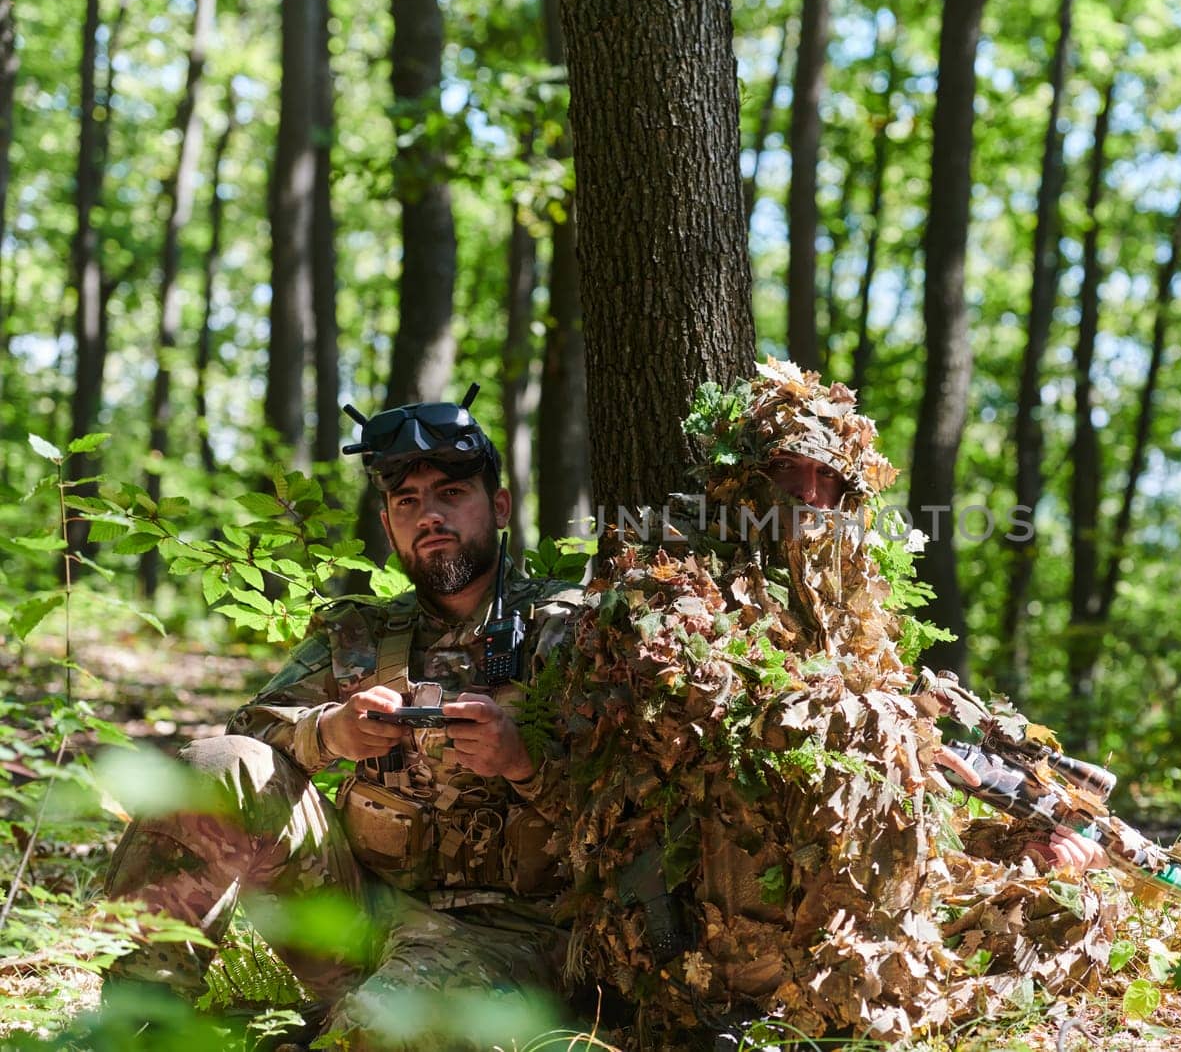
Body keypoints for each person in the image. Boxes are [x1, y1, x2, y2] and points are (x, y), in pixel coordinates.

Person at [550, 360, 1111, 1043]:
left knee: (1068, 902)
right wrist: (896, 727)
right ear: (741, 478)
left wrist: (1023, 830)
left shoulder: (844, 608)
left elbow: (892, 788)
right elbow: (717, 713)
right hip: (698, 914)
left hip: (832, 901)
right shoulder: (666, 570)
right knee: (875, 730)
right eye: (790, 470)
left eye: (833, 480)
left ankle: (898, 993)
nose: (812, 495)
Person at [102, 387, 580, 1050]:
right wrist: (329, 732)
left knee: (389, 1026)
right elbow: (244, 733)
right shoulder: (360, 632)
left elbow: (643, 810)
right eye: (407, 502)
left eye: (451, 493)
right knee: (218, 766)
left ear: (498, 506)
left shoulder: (572, 629)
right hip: (360, 914)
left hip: (512, 940)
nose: (429, 516)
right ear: (387, 525)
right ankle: (135, 1024)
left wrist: (521, 761)